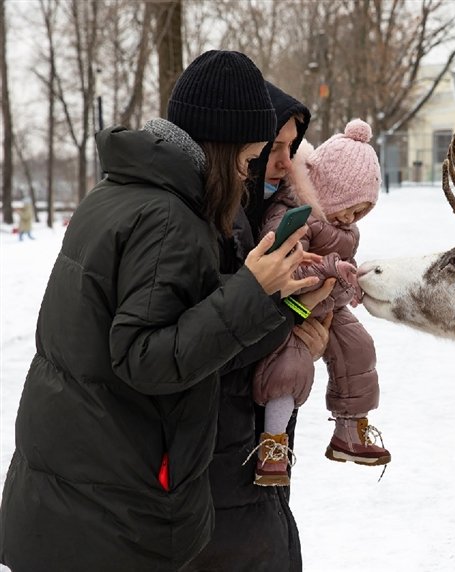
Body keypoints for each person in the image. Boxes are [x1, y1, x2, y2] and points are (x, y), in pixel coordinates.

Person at [0, 51, 325, 571]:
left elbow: (176, 308)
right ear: (221, 150)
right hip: (110, 509)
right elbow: (144, 357)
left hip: (76, 492)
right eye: (248, 162)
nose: (249, 180)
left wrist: (278, 303)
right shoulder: (170, 218)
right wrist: (250, 289)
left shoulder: (122, 193)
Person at [183, 81, 332, 572]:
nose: (285, 162)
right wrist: (298, 316)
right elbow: (212, 345)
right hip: (219, 468)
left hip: (251, 455)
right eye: (275, 147)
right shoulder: (209, 224)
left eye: (292, 148)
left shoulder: (264, 217)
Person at [252, 118, 389, 486]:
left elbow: (341, 270)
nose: (350, 219)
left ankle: (349, 430)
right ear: (327, 187)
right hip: (295, 311)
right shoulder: (293, 215)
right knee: (290, 367)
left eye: (361, 213)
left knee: (358, 348)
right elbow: (285, 271)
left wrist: (351, 282)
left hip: (329, 305)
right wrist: (330, 269)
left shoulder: (345, 230)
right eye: (348, 207)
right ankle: (273, 443)